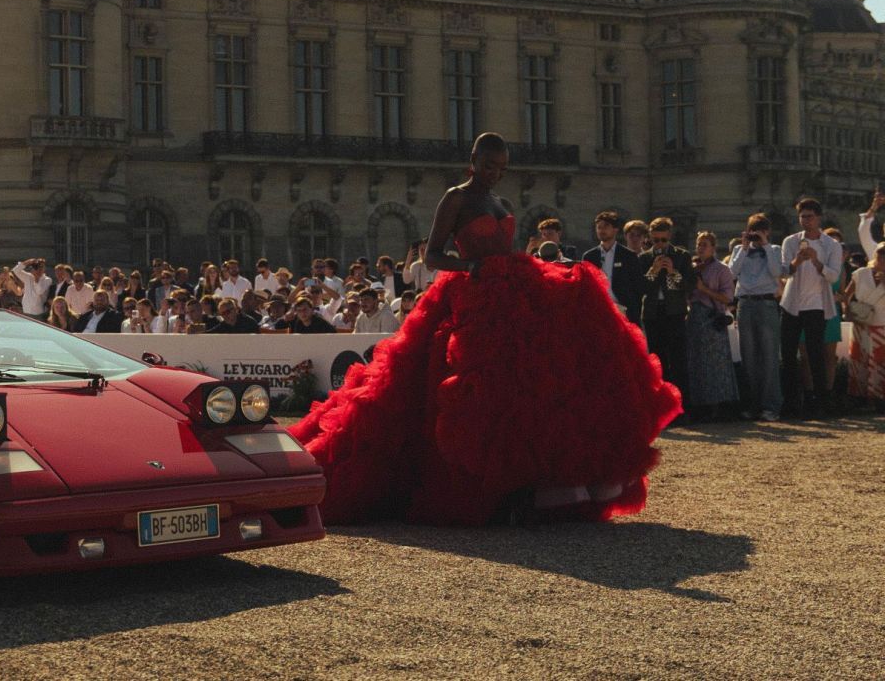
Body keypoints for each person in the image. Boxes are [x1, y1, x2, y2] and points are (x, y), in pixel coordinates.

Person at [289, 132, 680, 526]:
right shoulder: (456, 197)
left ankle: (552, 479)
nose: (495, 174)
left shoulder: (501, 202)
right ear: (473, 161)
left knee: (546, 371)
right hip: (474, 294)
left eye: (502, 168)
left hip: (512, 288)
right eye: (490, 166)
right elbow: (436, 253)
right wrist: (469, 266)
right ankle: (506, 485)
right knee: (479, 388)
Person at [780, 197, 842, 418]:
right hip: (792, 304)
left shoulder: (831, 245)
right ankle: (791, 402)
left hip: (817, 304)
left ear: (818, 218)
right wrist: (797, 261)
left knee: (816, 355)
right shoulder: (790, 241)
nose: (806, 221)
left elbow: (834, 275)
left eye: (810, 216)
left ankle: (820, 402)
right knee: (788, 355)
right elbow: (783, 272)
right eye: (802, 216)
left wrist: (816, 261)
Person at [727, 213, 785, 421]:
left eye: (760, 230)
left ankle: (771, 406)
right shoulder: (738, 249)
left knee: (769, 357)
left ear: (767, 231)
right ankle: (751, 404)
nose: (755, 235)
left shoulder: (775, 250)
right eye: (753, 230)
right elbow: (731, 273)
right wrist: (743, 248)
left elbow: (777, 271)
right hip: (745, 303)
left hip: (767, 303)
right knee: (748, 357)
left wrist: (766, 245)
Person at [639, 217, 697, 410]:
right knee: (658, 361)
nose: (660, 244)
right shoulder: (644, 258)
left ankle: (682, 408)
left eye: (663, 240)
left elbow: (688, 286)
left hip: (674, 313)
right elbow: (642, 289)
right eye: (656, 240)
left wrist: (672, 272)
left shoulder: (681, 256)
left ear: (669, 237)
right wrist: (653, 271)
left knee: (678, 361)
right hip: (653, 314)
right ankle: (661, 407)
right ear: (650, 238)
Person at [685, 231, 739, 420]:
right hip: (695, 318)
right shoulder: (692, 268)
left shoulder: (722, 269)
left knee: (716, 364)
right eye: (699, 244)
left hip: (712, 318)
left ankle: (718, 406)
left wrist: (703, 289)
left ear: (713, 248)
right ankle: (699, 405)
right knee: (697, 362)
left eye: (705, 244)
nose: (700, 248)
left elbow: (727, 297)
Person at [581, 210, 648, 329]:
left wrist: (632, 309)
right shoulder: (589, 256)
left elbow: (638, 287)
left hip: (623, 311)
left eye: (606, 226)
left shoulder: (628, 256)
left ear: (616, 229)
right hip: (598, 311)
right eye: (599, 227)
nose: (602, 230)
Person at [841, 243, 885, 411]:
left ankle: (878, 400)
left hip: (882, 324)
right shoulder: (861, 273)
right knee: (860, 362)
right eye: (879, 254)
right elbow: (847, 294)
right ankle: (858, 399)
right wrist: (849, 312)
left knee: (879, 363)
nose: (881, 258)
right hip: (861, 322)